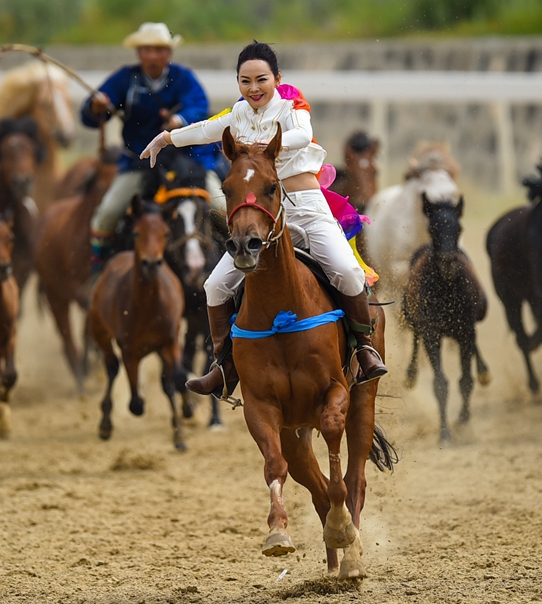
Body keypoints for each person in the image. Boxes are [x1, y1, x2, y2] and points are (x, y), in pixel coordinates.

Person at [141, 41, 387, 396]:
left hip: (304, 205)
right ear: (238, 83)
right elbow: (206, 129)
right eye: (245, 81)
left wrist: (267, 146)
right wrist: (165, 138)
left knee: (348, 272)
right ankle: (224, 364)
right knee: (214, 286)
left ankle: (363, 348)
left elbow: (303, 134)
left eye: (261, 80)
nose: (253, 88)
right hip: (261, 212)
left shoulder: (291, 103)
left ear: (276, 79)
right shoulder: (239, 114)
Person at [80, 22, 225, 273]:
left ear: (168, 53)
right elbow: (90, 114)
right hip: (140, 161)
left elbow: (199, 106)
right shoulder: (125, 78)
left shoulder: (183, 77)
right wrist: (96, 107)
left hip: (189, 162)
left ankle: (237, 266)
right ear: (139, 53)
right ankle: (98, 268)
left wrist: (178, 122)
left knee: (225, 209)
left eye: (159, 50)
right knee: (107, 213)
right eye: (147, 50)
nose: (153, 56)